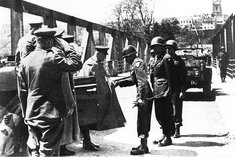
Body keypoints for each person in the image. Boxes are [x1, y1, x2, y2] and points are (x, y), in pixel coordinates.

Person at [16, 28, 83, 156]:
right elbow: (76, 64)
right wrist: (67, 47)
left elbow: (22, 92)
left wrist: (26, 114)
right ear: (49, 41)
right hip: (51, 114)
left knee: (35, 150)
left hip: (31, 113)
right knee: (47, 151)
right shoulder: (53, 57)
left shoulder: (24, 61)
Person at [77, 45, 126, 151]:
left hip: (94, 97)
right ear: (98, 53)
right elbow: (86, 81)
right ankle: (86, 142)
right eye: (103, 55)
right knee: (87, 120)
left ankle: (87, 141)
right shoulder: (91, 64)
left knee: (90, 120)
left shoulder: (97, 63)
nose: (104, 58)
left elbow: (105, 77)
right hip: (89, 97)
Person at [116, 45, 153, 155]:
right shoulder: (135, 63)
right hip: (144, 94)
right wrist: (119, 83)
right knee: (141, 120)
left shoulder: (137, 63)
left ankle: (144, 147)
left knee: (143, 121)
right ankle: (143, 144)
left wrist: (141, 99)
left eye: (127, 57)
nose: (126, 60)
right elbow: (133, 80)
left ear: (132, 55)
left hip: (144, 94)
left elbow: (142, 82)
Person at [52, 30, 82, 156]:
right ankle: (61, 147)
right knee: (64, 121)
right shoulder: (59, 56)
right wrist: (70, 100)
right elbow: (65, 80)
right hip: (62, 95)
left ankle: (62, 147)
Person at [149, 36, 175, 146]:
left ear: (162, 47)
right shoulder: (156, 58)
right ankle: (164, 134)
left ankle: (168, 137)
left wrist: (170, 91)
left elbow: (171, 76)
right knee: (159, 114)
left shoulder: (166, 58)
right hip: (157, 91)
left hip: (164, 91)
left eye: (156, 47)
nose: (154, 49)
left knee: (166, 114)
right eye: (153, 47)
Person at [165, 40, 187, 138]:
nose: (168, 50)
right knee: (167, 110)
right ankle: (169, 130)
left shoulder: (179, 61)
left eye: (170, 48)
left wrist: (182, 90)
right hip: (166, 88)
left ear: (174, 49)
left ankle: (177, 129)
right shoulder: (164, 60)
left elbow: (183, 77)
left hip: (176, 88)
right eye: (166, 48)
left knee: (177, 109)